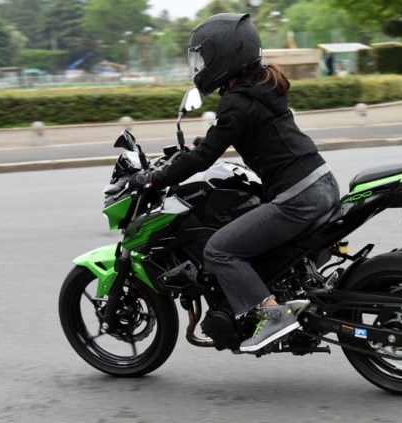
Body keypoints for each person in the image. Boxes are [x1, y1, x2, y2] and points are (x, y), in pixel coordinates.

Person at [129, 13, 340, 353]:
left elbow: (204, 157)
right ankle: (287, 296)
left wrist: (155, 178)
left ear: (225, 56)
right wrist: (200, 144)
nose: (200, 66)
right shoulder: (261, 86)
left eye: (204, 58)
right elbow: (227, 137)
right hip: (322, 182)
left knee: (219, 250)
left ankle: (273, 316)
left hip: (297, 195)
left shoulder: (237, 102)